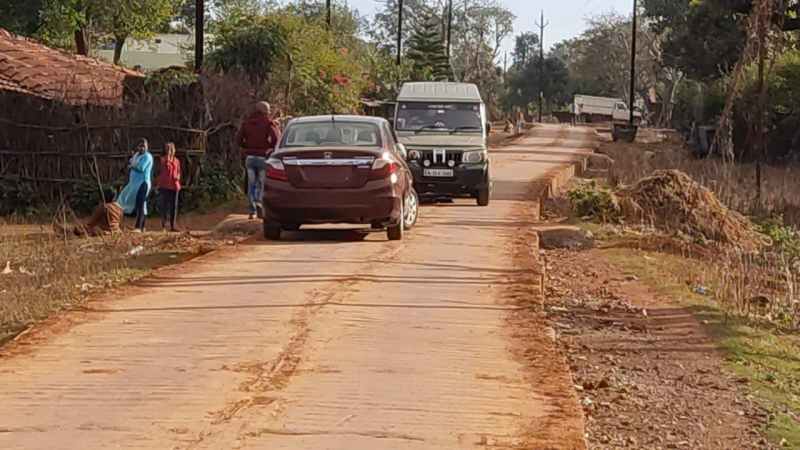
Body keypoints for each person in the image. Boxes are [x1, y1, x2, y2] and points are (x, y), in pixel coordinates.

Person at [235, 101, 281, 220]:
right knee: (261, 183)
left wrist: (247, 147)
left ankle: (252, 211)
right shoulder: (268, 123)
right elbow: (276, 139)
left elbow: (238, 140)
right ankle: (259, 203)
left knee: (251, 185)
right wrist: (269, 148)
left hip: (249, 158)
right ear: (266, 111)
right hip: (262, 157)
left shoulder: (246, 123)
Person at [116, 138, 153, 232]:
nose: (142, 148)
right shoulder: (136, 155)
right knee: (140, 204)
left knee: (140, 204)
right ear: (138, 147)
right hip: (134, 184)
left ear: (147, 147)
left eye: (144, 146)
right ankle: (142, 226)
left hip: (143, 183)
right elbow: (129, 163)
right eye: (140, 146)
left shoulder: (148, 157)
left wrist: (132, 165)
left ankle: (138, 227)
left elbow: (141, 167)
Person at [55, 189, 123, 237]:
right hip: (116, 231)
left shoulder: (103, 207)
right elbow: (119, 221)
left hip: (104, 232)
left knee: (81, 229)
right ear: (114, 197)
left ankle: (66, 230)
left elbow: (91, 223)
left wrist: (80, 228)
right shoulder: (119, 207)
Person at [157, 142, 181, 232]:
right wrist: (168, 158)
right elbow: (165, 169)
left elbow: (178, 171)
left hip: (174, 185)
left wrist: (177, 177)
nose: (169, 151)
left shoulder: (177, 160)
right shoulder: (163, 160)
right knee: (164, 206)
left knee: (174, 206)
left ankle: (173, 225)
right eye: (167, 149)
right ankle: (164, 224)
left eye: (171, 149)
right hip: (165, 185)